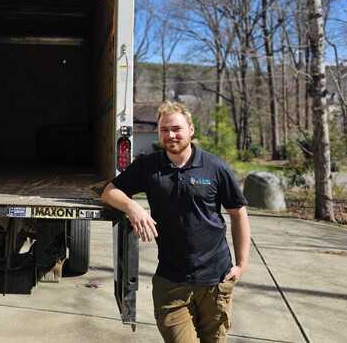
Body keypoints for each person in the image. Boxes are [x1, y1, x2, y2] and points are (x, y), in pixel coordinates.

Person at [101, 101, 250, 343]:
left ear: (191, 130)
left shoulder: (214, 167)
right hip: (171, 281)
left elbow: (237, 212)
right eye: (164, 130)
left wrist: (242, 265)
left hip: (215, 281)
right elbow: (109, 191)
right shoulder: (149, 166)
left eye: (177, 128)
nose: (170, 135)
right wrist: (132, 207)